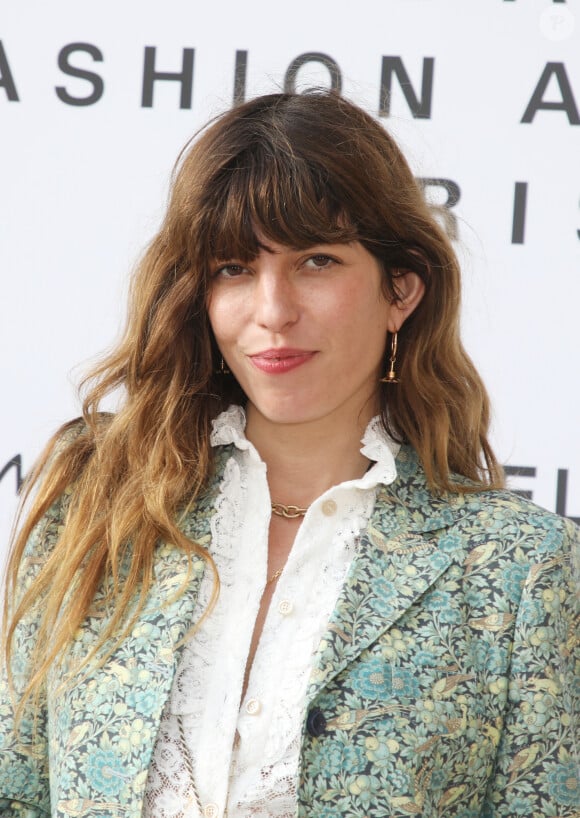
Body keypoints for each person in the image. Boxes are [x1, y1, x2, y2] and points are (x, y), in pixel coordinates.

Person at [0, 91, 578, 818]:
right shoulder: (98, 501)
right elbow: (18, 792)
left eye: (315, 261)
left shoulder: (519, 570)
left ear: (401, 289)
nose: (273, 310)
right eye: (234, 268)